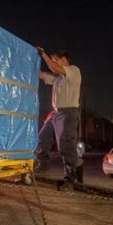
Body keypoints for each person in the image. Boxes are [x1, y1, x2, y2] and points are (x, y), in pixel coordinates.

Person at [36, 48, 82, 189]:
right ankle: (42, 166)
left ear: (63, 60)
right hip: (55, 113)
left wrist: (43, 54)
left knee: (66, 146)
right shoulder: (58, 79)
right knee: (42, 139)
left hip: (68, 113)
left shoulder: (73, 71)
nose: (53, 64)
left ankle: (70, 178)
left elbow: (53, 67)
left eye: (56, 60)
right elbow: (42, 75)